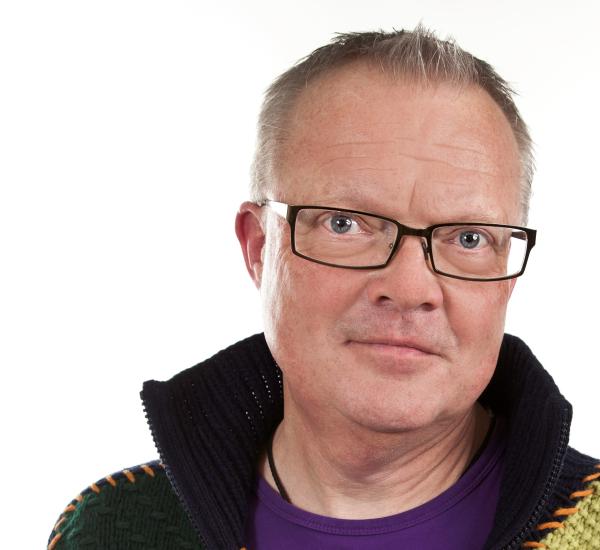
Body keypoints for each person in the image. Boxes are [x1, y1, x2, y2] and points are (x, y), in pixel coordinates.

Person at [48, 26, 600, 550]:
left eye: (470, 238)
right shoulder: (110, 529)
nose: (411, 288)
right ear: (259, 247)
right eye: (345, 223)